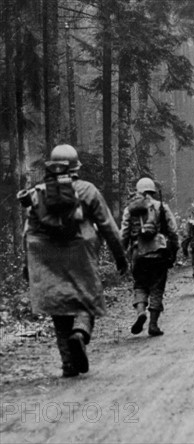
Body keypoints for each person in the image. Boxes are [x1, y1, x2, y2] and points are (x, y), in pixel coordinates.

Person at [19, 144, 127, 377]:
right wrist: (120, 257)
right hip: (80, 250)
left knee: (58, 308)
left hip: (46, 255)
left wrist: (27, 265)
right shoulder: (87, 190)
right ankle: (80, 332)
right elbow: (108, 226)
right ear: (76, 166)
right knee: (86, 298)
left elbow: (27, 231)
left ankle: (68, 363)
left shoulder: (38, 192)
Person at [121, 177, 179, 336]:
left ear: (138, 190)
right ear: (153, 191)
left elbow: (124, 234)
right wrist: (175, 249)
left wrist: (122, 255)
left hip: (138, 252)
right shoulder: (161, 207)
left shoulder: (130, 209)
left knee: (140, 284)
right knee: (157, 287)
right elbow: (173, 231)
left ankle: (140, 311)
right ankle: (153, 324)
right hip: (159, 252)